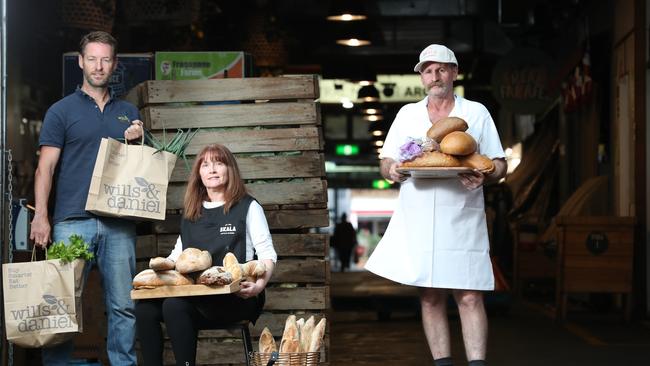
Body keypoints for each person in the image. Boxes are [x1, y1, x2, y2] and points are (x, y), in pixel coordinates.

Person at [365, 44, 507, 366]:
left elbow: (499, 164)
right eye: (428, 70)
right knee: (429, 297)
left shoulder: (476, 113)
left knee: (469, 294)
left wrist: (485, 176)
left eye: (441, 69)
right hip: (418, 216)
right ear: (422, 77)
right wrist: (392, 171)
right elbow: (386, 161)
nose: (435, 76)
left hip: (462, 215)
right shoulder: (407, 114)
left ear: (454, 73)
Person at [29, 31, 144, 365]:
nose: (98, 66)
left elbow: (137, 169)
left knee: (123, 305)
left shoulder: (127, 112)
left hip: (118, 224)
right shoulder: (60, 111)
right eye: (92, 59)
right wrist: (41, 217)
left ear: (114, 64)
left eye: (105, 59)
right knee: (62, 304)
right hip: (71, 222)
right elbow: (44, 169)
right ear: (81, 62)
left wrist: (137, 140)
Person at [135, 144, 277, 366]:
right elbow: (177, 256)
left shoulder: (248, 207)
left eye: (219, 163)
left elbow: (268, 254)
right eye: (205, 164)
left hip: (236, 297)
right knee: (144, 309)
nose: (212, 169)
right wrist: (160, 268)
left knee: (174, 305)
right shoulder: (193, 211)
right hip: (196, 295)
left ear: (230, 170)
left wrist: (258, 287)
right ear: (199, 173)